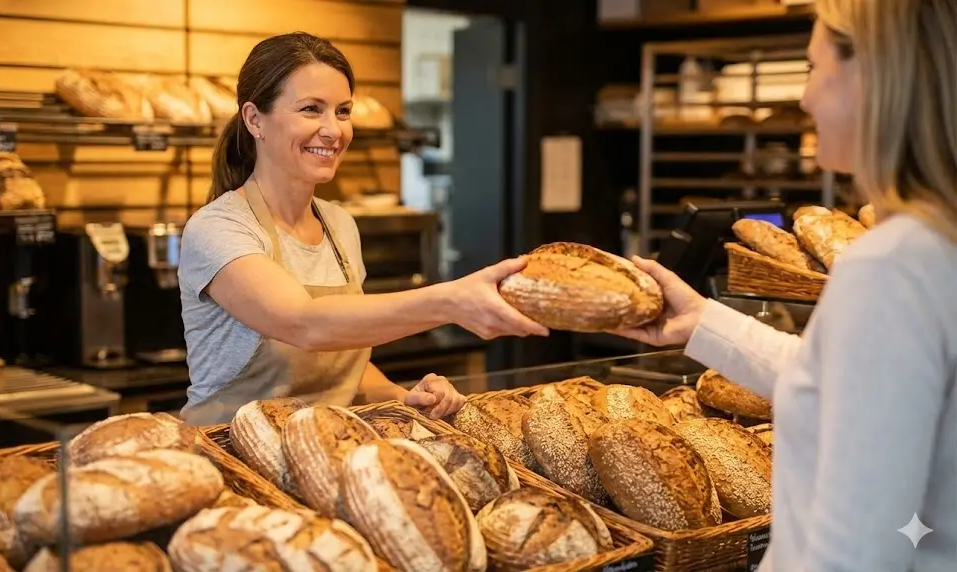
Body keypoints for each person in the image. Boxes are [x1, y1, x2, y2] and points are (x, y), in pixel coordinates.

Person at [614, 1, 956, 570]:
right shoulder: (935, 244)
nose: (804, 99)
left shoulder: (891, 265)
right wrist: (701, 322)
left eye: (814, 68)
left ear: (876, 77)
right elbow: (846, 387)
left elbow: (854, 552)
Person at [177, 32, 548, 426]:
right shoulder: (219, 227)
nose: (333, 130)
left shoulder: (340, 226)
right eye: (311, 109)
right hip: (227, 450)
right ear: (255, 119)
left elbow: (343, 365)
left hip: (322, 449)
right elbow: (304, 324)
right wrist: (450, 302)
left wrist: (404, 397)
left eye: (342, 111)